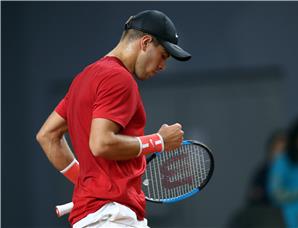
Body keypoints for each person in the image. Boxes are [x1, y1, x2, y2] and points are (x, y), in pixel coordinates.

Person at [36, 10, 191, 228]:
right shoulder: (119, 78)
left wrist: (86, 182)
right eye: (163, 55)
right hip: (111, 219)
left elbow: (48, 136)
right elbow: (101, 144)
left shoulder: (84, 77)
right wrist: (159, 141)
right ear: (145, 43)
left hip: (99, 217)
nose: (163, 65)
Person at [246, 130, 286, 206]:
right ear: (271, 151)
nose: (282, 156)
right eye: (279, 151)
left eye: (284, 152)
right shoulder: (262, 174)